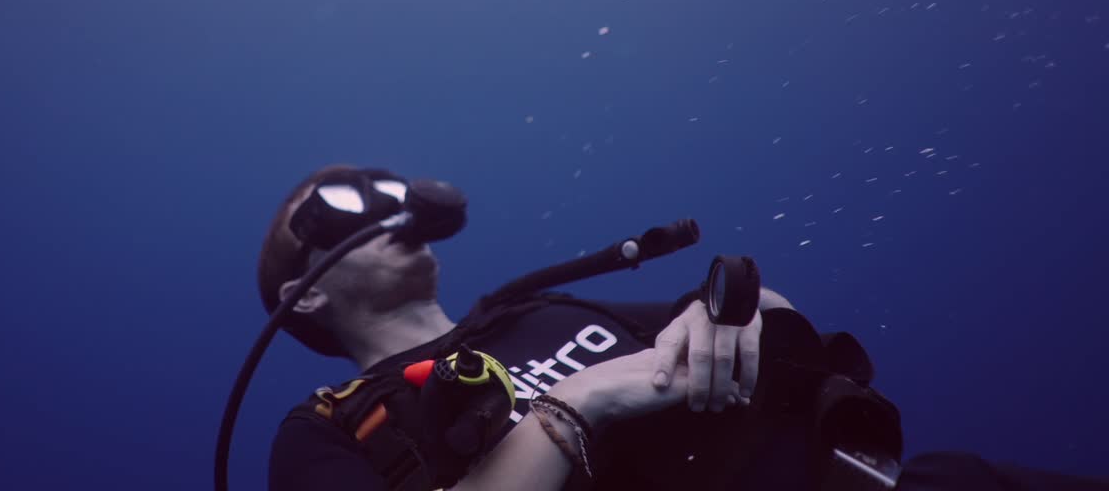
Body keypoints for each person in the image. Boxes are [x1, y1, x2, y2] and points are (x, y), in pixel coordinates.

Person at [258, 165, 1107, 491]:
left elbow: (779, 325)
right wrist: (578, 406)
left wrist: (737, 307)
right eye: (335, 206)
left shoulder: (544, 310)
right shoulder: (324, 431)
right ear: (303, 295)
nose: (384, 203)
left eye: (383, 185)